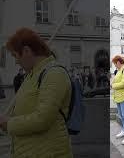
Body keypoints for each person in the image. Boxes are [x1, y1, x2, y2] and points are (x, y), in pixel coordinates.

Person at [0, 28, 73, 157]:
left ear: (27, 51)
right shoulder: (32, 74)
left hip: (48, 152)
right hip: (31, 150)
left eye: (15, 56)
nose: (16, 61)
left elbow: (42, 119)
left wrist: (9, 123)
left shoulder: (54, 74)